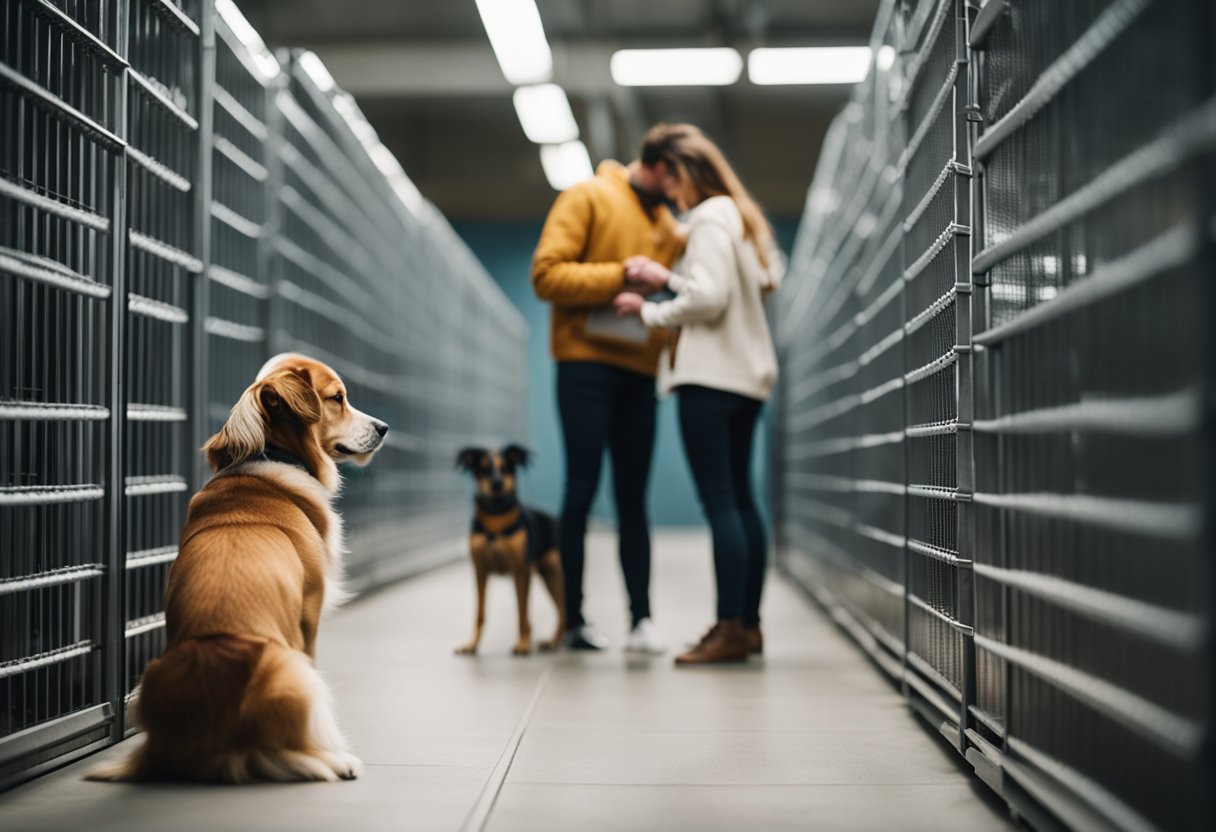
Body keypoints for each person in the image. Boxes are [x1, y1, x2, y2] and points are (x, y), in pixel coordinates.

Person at [613, 124, 782, 665]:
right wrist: (670, 275)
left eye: (670, 186)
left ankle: (728, 625)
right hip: (746, 379)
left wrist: (649, 310)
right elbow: (739, 286)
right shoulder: (740, 218)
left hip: (710, 379)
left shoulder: (708, 218)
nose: (669, 197)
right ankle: (748, 625)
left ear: (680, 172)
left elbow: (709, 298)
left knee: (720, 503)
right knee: (740, 500)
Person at [531, 127, 690, 651]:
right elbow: (547, 276)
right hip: (585, 364)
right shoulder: (587, 196)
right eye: (681, 177)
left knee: (632, 499)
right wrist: (622, 274)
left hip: (640, 372)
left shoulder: (670, 225)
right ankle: (572, 621)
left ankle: (641, 620)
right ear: (663, 168)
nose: (682, 190)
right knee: (580, 490)